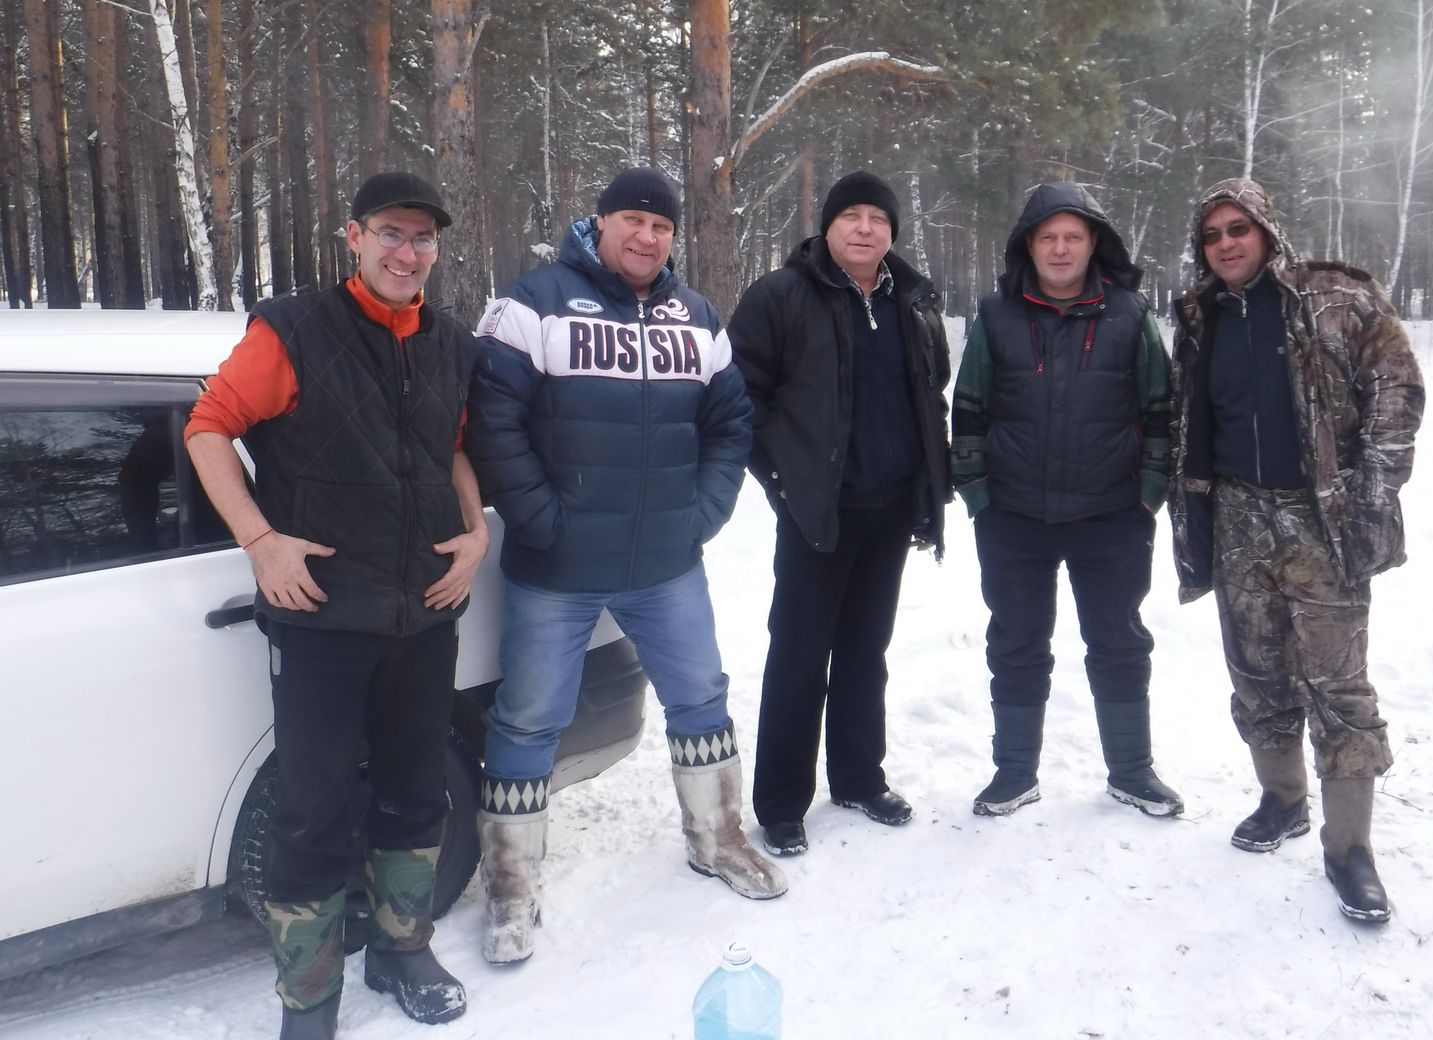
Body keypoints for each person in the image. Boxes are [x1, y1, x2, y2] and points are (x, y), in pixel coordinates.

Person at [186, 172, 485, 1038]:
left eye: (422, 238)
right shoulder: (294, 330)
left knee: (415, 793)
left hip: (425, 613)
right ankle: (310, 999)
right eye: (391, 232)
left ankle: (402, 950)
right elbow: (208, 429)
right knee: (313, 811)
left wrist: (475, 534)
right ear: (353, 237)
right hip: (320, 616)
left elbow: (451, 452)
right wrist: (260, 540)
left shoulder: (450, 343)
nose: (407, 252)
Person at [467, 167, 784, 966]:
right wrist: (541, 519)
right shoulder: (533, 303)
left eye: (662, 226)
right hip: (556, 570)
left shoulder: (696, 317)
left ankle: (718, 837)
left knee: (701, 695)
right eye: (633, 220)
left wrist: (703, 513)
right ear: (600, 222)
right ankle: (511, 883)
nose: (647, 237)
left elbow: (731, 423)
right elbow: (492, 423)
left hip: (666, 565)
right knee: (529, 718)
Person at [1168, 177, 1424, 924]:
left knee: (1338, 687)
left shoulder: (1334, 296)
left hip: (1321, 520)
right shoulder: (1200, 317)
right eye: (1212, 234)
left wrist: (1373, 487)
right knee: (1257, 674)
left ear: (1267, 230)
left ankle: (1350, 850)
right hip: (1236, 518)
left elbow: (1397, 388)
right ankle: (1282, 799)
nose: (1226, 244)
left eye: (1238, 228)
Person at [727, 170, 951, 859]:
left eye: (877, 218)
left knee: (865, 651)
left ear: (892, 232)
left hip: (889, 509)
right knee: (799, 657)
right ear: (827, 226)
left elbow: (931, 392)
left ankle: (858, 779)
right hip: (816, 515)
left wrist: (927, 488)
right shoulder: (781, 296)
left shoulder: (911, 300)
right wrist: (782, 483)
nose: (864, 227)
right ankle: (781, 804)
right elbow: (739, 397)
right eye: (850, 215)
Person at [950, 182, 1183, 820]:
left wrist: (1149, 493)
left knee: (1119, 642)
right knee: (1016, 643)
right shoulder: (997, 316)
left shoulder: (1130, 315)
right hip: (1013, 516)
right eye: (1048, 237)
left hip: (1112, 514)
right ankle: (1013, 773)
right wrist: (978, 495)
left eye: (1072, 237)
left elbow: (1160, 411)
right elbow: (968, 409)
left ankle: (1132, 772)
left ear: (1093, 244)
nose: (1060, 248)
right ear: (1028, 245)